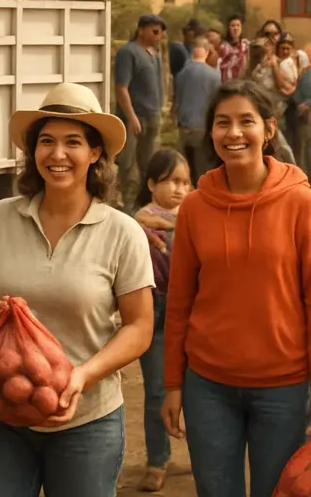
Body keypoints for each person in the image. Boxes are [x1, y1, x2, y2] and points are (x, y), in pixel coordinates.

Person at [0, 83, 155, 497]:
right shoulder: (1, 218)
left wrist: (82, 376)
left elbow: (139, 327)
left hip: (87, 423)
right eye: (46, 142)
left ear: (95, 154)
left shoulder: (122, 232)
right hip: (5, 416)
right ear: (34, 152)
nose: (57, 154)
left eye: (73, 142)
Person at [162, 80, 311, 497]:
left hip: (284, 387)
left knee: (277, 491)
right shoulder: (194, 206)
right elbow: (179, 304)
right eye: (222, 122)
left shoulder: (300, 202)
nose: (234, 133)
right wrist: (173, 385)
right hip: (208, 387)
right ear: (211, 132)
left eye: (246, 121)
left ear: (269, 129)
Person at [134, 150, 191, 493]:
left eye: (185, 181)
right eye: (170, 180)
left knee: (200, 391)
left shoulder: (194, 213)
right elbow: (143, 218)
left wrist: (171, 224)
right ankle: (157, 461)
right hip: (153, 311)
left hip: (190, 310)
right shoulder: (139, 217)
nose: (179, 189)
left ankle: (206, 455)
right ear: (152, 183)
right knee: (157, 391)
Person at [114, 14, 166, 211]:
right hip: (134, 119)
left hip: (153, 117)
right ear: (141, 30)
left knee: (150, 166)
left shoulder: (154, 55)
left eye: (160, 32)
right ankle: (127, 208)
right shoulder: (129, 52)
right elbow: (121, 88)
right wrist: (131, 116)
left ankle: (145, 207)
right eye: (154, 31)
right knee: (129, 166)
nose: (158, 36)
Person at [173, 36, 221, 185]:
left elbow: (176, 100)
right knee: (202, 167)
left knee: (187, 166)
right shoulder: (213, 75)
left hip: (184, 126)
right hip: (202, 127)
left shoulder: (181, 74)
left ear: (193, 52)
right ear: (206, 51)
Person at [219, 14, 250, 83]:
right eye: (233, 25)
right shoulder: (222, 46)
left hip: (242, 82)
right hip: (225, 82)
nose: (235, 28)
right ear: (228, 28)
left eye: (238, 25)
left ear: (241, 28)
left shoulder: (246, 45)